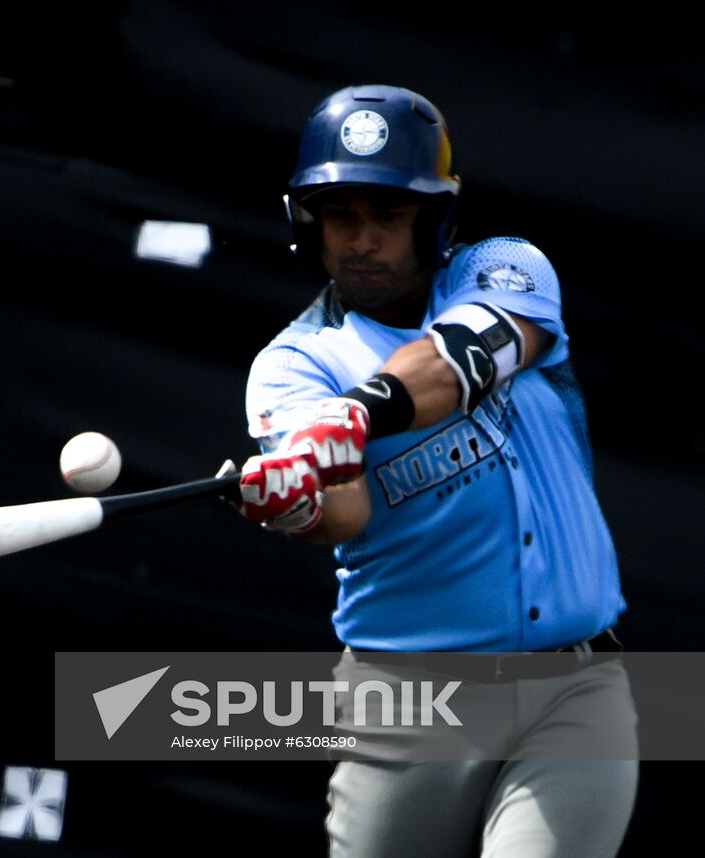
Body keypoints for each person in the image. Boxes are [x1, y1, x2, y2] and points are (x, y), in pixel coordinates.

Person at [236, 84, 637, 857]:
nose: (362, 241)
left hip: (574, 687)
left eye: (389, 216)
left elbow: (463, 359)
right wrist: (298, 506)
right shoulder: (292, 366)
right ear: (307, 222)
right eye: (342, 216)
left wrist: (360, 412)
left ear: (436, 218)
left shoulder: (506, 269)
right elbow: (344, 511)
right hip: (406, 698)